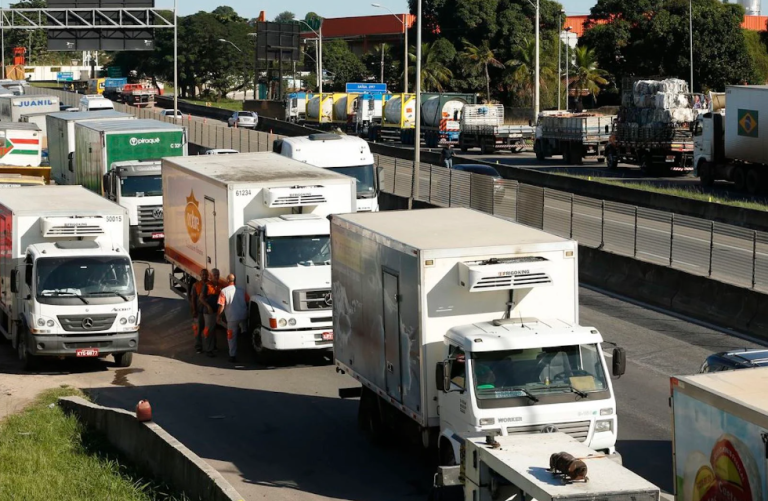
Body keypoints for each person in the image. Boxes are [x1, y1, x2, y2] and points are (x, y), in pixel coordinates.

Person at [217, 274, 249, 363]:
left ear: (227, 280)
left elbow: (221, 306)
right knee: (244, 330)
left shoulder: (224, 291)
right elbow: (247, 300)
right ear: (235, 280)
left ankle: (232, 355)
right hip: (243, 315)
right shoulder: (242, 290)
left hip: (232, 318)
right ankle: (245, 339)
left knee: (231, 337)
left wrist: (218, 316)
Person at [200, 268, 221, 357]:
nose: (216, 276)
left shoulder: (219, 286)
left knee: (213, 330)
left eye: (217, 275)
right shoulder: (207, 285)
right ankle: (208, 349)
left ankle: (212, 346)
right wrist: (208, 306)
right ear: (211, 276)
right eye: (215, 275)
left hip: (215, 311)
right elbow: (201, 298)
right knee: (208, 330)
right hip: (208, 312)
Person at [189, 268, 209, 354]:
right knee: (198, 329)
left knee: (209, 330)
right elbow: (193, 298)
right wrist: (194, 310)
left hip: (208, 312)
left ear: (208, 276)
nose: (204, 276)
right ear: (200, 275)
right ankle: (198, 347)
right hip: (199, 311)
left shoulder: (210, 285)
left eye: (206, 274)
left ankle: (211, 347)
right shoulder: (196, 285)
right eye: (203, 274)